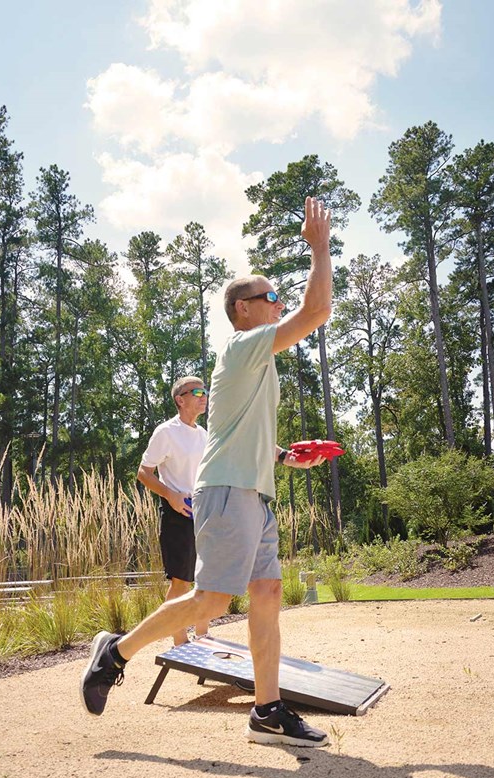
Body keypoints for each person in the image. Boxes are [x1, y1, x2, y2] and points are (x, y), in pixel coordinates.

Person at [81, 196, 333, 747]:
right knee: (212, 601)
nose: (279, 305)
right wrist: (319, 249)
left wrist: (286, 458)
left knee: (267, 592)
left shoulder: (256, 363)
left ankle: (267, 711)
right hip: (225, 493)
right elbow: (316, 313)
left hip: (255, 492)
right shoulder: (242, 347)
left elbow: (237, 432)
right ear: (243, 309)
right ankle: (115, 652)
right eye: (271, 298)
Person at [136, 376, 211, 646]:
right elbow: (144, 472)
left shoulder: (203, 434)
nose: (204, 396)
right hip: (178, 514)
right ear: (180, 399)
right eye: (197, 392)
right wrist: (170, 495)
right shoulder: (166, 432)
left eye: (205, 391)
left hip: (204, 512)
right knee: (181, 583)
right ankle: (180, 641)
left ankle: (203, 636)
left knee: (206, 579)